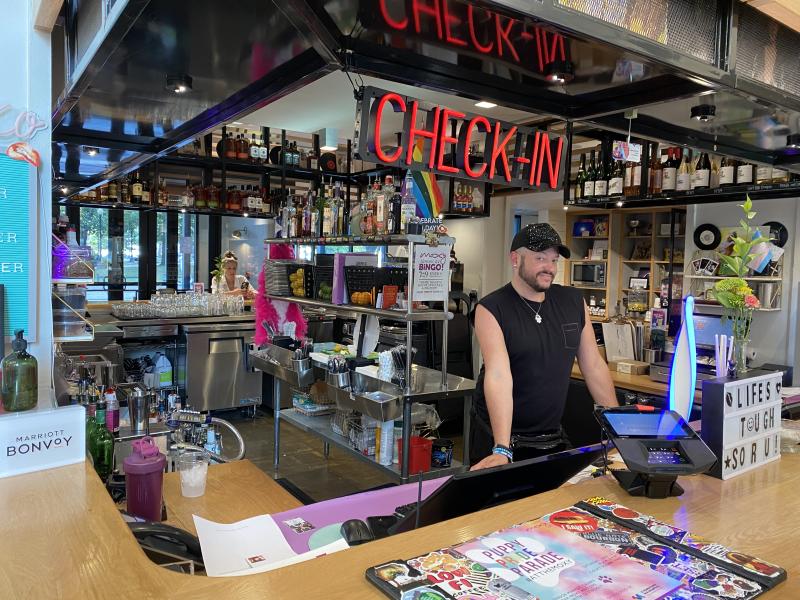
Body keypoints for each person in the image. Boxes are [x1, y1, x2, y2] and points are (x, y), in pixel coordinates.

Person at [470, 223, 617, 471]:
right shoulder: (492, 308)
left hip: (552, 435)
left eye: (554, 260)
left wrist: (618, 428)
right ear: (515, 259)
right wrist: (502, 447)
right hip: (499, 436)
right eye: (540, 258)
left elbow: (593, 365)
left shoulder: (573, 302)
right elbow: (498, 374)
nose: (549, 268)